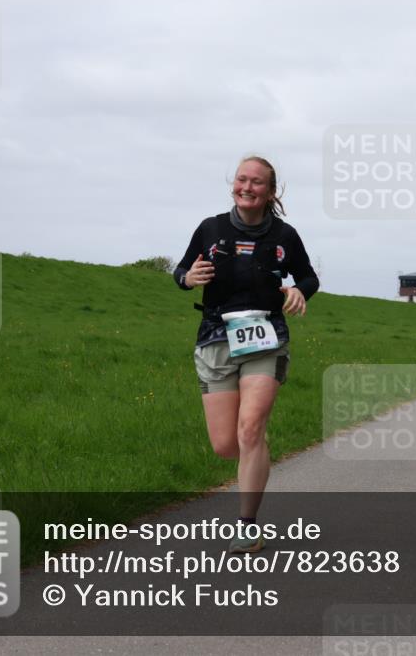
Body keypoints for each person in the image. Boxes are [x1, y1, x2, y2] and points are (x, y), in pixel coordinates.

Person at [174, 155, 319, 553]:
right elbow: (182, 271)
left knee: (250, 427)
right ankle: (254, 451)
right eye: (242, 180)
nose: (247, 187)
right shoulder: (210, 228)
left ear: (270, 192)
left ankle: (247, 525)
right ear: (233, 185)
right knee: (226, 444)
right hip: (215, 338)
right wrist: (188, 278)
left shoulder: (284, 235)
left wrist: (297, 291)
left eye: (257, 182)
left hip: (266, 337)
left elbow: (308, 276)